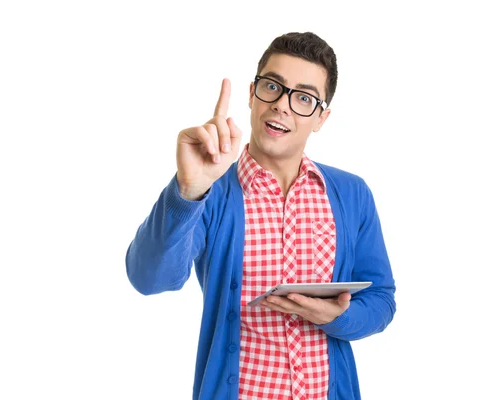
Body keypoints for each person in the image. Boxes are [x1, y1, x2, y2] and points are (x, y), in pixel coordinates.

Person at [125, 31, 396, 400]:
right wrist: (188, 192)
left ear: (321, 118)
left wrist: (336, 318)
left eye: (303, 97)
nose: (282, 105)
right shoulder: (214, 191)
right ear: (253, 94)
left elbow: (381, 298)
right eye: (273, 87)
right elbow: (149, 278)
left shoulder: (352, 194)